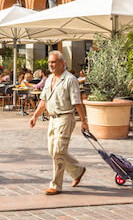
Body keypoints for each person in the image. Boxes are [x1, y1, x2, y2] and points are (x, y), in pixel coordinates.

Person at [29, 51, 88, 195]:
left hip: (65, 118)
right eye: (49, 62)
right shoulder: (49, 79)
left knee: (58, 152)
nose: (51, 65)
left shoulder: (70, 79)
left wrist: (84, 122)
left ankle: (56, 185)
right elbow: (43, 100)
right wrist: (35, 116)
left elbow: (77, 102)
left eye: (54, 62)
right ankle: (77, 170)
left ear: (63, 63)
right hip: (52, 119)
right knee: (53, 151)